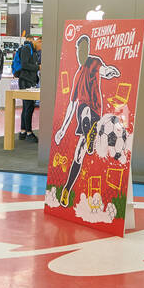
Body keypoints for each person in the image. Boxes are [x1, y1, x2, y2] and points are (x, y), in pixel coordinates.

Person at [52, 34, 120, 208]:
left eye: (85, 49)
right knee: (79, 154)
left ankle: (89, 132)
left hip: (95, 109)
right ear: (77, 52)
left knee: (87, 113)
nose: (82, 53)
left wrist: (110, 71)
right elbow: (70, 106)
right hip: (84, 114)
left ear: (87, 51)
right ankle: (67, 189)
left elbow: (103, 70)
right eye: (79, 50)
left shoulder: (94, 62)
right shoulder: (77, 76)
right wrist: (62, 129)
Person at [13, 35, 42, 141]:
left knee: (27, 107)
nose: (41, 49)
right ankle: (29, 132)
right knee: (28, 107)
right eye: (41, 46)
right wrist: (38, 67)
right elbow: (25, 65)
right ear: (38, 41)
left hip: (30, 81)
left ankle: (23, 131)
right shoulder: (27, 49)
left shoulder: (33, 51)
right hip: (25, 81)